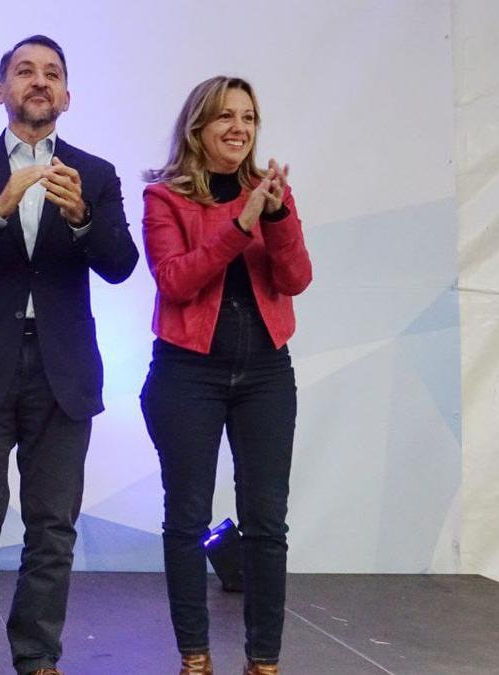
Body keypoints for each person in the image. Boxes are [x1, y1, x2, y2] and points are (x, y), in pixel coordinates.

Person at [0, 35, 139, 675]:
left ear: (67, 95)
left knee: (52, 529)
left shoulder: (94, 175)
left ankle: (38, 654)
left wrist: (82, 222)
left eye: (51, 73)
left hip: (62, 372)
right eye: (24, 71)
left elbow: (122, 265)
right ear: (1, 91)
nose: (38, 82)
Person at [139, 76, 313, 675]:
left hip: (267, 371)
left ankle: (264, 659)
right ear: (197, 128)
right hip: (188, 374)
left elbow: (295, 279)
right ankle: (195, 656)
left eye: (248, 117)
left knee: (267, 523)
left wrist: (280, 213)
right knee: (185, 519)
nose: (239, 128)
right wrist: (242, 222)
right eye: (224, 117)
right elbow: (176, 281)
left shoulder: (269, 194)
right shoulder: (164, 198)